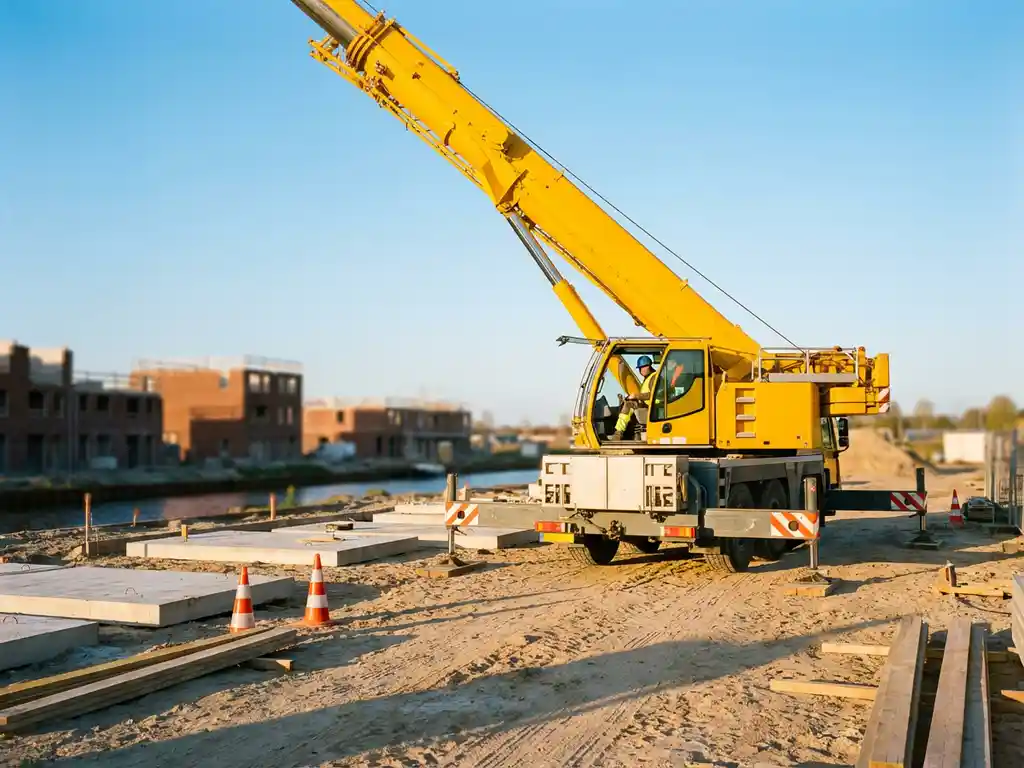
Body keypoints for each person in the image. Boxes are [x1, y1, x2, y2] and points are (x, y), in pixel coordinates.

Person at [609, 355, 657, 440]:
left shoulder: (653, 378)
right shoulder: (648, 378)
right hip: (648, 406)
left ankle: (618, 433)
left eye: (643, 367)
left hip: (653, 409)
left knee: (628, 405)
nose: (641, 370)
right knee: (628, 405)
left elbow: (653, 395)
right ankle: (633, 434)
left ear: (649, 366)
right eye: (640, 368)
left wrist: (636, 396)